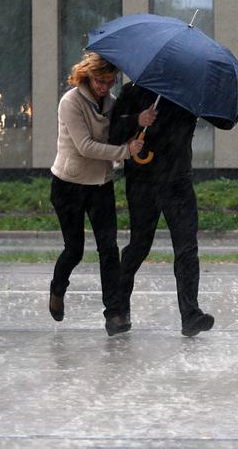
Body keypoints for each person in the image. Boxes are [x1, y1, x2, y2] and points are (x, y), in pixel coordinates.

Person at [49, 52, 155, 336]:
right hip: (68, 185)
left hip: (100, 185)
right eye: (99, 81)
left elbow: (119, 129)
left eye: (110, 82)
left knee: (108, 250)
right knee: (74, 250)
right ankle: (58, 287)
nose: (104, 87)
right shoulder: (70, 102)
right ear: (87, 76)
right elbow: (85, 145)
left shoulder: (113, 103)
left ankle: (115, 313)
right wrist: (124, 152)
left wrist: (139, 121)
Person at [109, 82, 214, 337]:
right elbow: (112, 132)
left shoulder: (189, 94)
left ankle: (190, 315)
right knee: (139, 245)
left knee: (187, 248)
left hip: (178, 181)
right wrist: (138, 119)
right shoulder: (133, 92)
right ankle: (117, 309)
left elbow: (219, 121)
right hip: (143, 181)